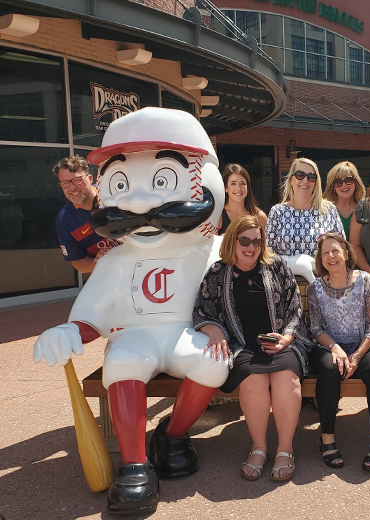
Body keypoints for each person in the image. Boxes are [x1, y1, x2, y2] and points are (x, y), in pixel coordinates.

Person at [34, 108, 230, 514]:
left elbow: (253, 256)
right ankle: (134, 465)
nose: (140, 202)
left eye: (163, 181)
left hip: (185, 332)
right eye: (122, 184)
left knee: (213, 366)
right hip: (133, 334)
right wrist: (72, 331)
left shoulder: (207, 247)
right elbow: (91, 314)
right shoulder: (116, 257)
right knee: (121, 365)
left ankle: (173, 435)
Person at [193, 214, 310, 483]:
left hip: (282, 343)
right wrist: (213, 330)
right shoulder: (217, 273)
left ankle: (285, 448)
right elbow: (202, 311)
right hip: (242, 345)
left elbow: (294, 310)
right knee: (253, 380)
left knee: (285, 379)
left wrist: (286, 339)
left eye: (257, 241)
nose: (251, 246)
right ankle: (259, 447)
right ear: (233, 240)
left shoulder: (276, 265)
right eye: (244, 239)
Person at [308, 232, 370, 473]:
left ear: (346, 253)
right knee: (327, 370)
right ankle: (327, 440)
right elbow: (315, 328)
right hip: (327, 347)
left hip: (361, 346)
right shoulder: (316, 288)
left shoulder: (365, 281)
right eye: (325, 253)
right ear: (320, 260)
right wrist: (335, 347)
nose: (331, 256)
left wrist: (356, 355)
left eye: (335, 251)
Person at [266, 157, 344, 282]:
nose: (305, 180)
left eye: (311, 177)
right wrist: (294, 263)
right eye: (300, 175)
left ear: (316, 182)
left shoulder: (329, 210)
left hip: (324, 284)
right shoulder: (277, 212)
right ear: (291, 179)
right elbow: (267, 254)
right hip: (284, 286)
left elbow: (341, 249)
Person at [53, 155, 116, 272]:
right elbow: (78, 262)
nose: (72, 188)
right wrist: (97, 261)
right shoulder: (65, 220)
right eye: (65, 183)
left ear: (90, 179)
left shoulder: (113, 193)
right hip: (107, 275)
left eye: (77, 180)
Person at [217, 163, 267, 235]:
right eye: (233, 183)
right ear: (226, 188)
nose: (238, 188)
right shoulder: (218, 216)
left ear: (248, 187)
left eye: (242, 183)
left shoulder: (260, 216)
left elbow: (265, 245)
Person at [323, 161, 366, 239]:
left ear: (356, 182)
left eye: (348, 180)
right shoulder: (325, 211)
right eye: (338, 182)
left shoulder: (365, 209)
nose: (344, 185)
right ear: (333, 187)